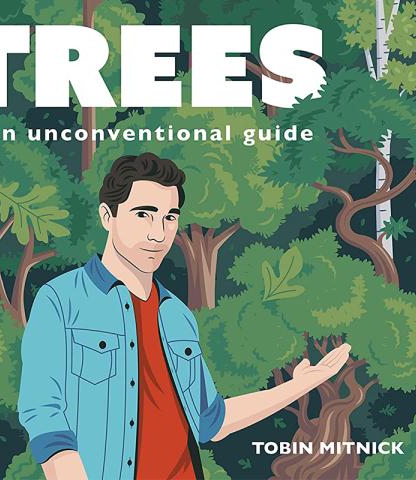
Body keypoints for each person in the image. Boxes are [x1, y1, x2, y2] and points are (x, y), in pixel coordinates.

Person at [19, 153, 352, 480]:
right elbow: (44, 417)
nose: (158, 233)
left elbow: (212, 420)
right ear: (108, 216)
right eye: (143, 215)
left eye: (169, 217)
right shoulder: (61, 299)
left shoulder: (176, 314)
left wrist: (300, 386)